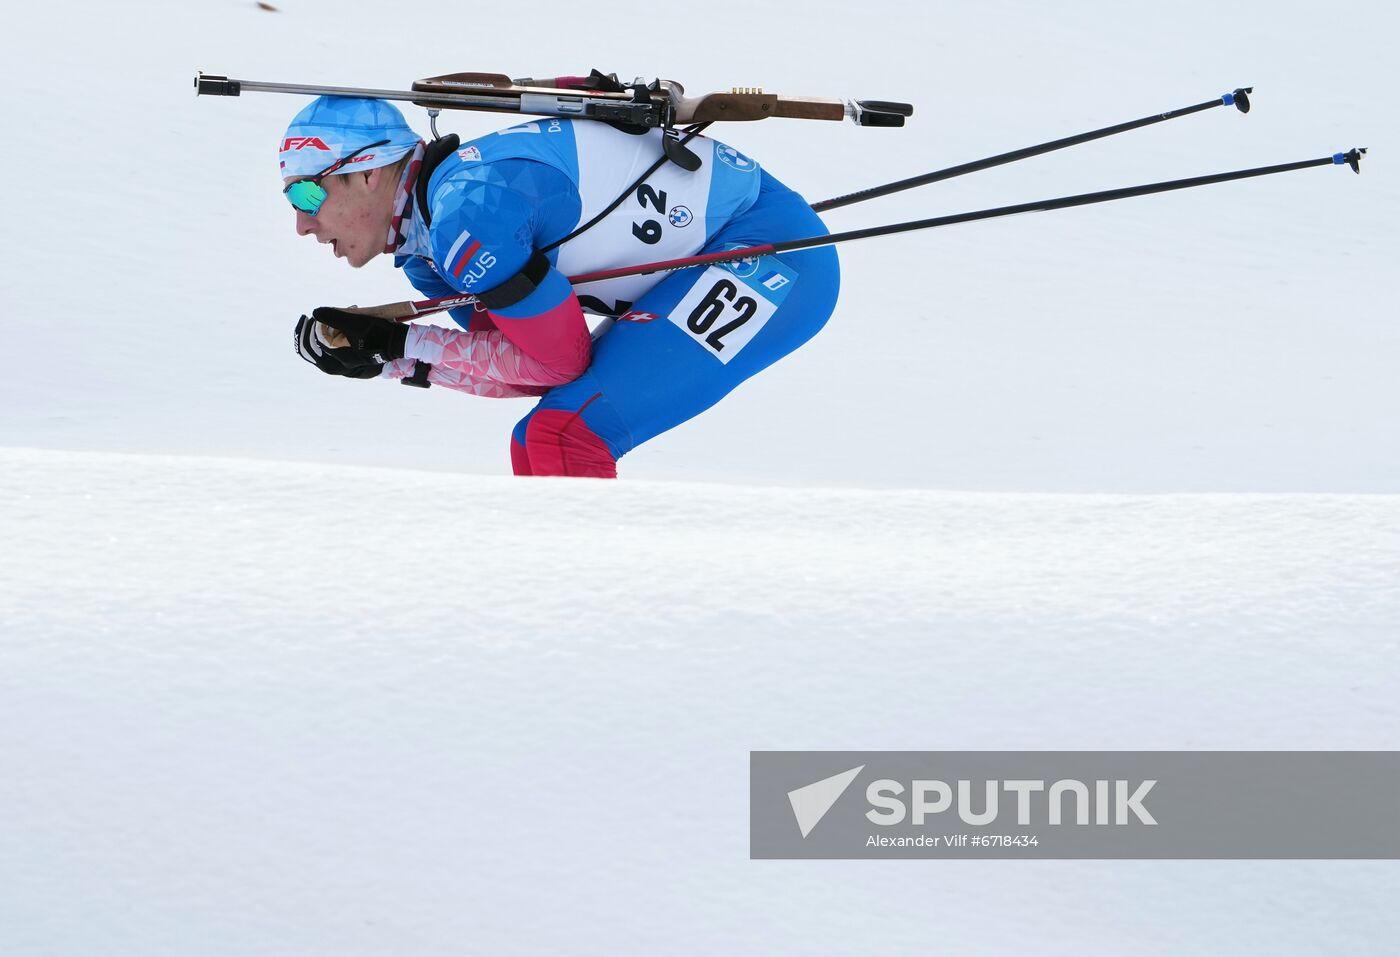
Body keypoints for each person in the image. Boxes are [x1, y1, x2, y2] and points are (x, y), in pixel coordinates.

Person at [283, 90, 839, 477]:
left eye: (307, 195)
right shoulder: (427, 255)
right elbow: (521, 365)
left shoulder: (467, 212)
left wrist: (401, 344)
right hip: (717, 255)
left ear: (370, 171)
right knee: (538, 439)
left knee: (565, 436)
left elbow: (559, 365)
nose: (303, 224)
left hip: (771, 255)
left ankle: (593, 622)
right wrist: (393, 359)